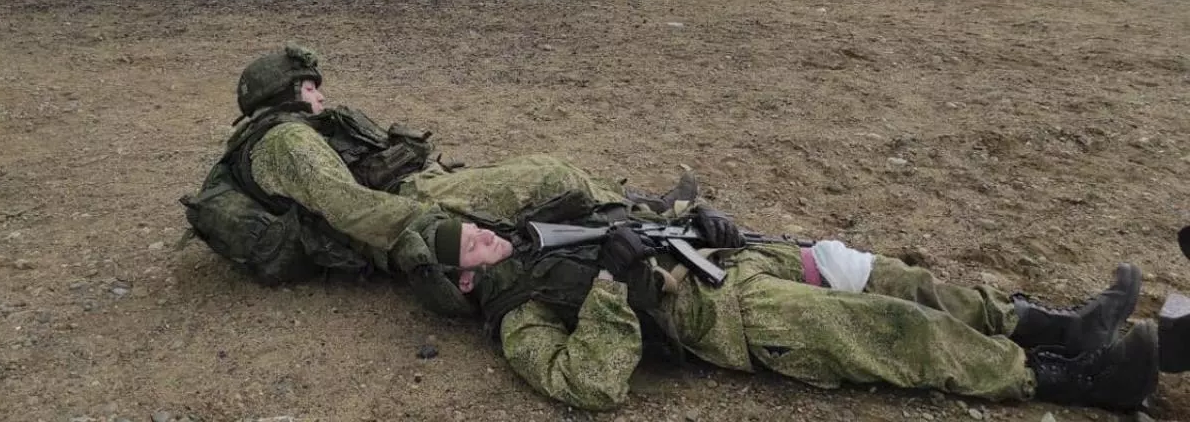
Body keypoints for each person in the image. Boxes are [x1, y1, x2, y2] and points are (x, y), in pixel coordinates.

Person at [419, 207, 1162, 414]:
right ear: (463, 286)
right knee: (897, 333)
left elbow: (631, 211)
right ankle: (1069, 378)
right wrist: (613, 289)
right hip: (731, 316)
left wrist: (694, 216)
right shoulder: (518, 318)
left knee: (897, 281)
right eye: (471, 248)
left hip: (738, 261)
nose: (485, 235)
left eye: (475, 228)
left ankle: (1054, 325)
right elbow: (588, 384)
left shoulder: (541, 227)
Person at [179, 44, 693, 309]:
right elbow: (344, 204)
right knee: (550, 175)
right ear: (286, 93)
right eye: (310, 87)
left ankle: (638, 205)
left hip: (412, 192)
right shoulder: (286, 140)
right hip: (410, 201)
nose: (319, 95)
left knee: (541, 177)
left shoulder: (276, 139)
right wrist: (443, 234)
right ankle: (651, 212)